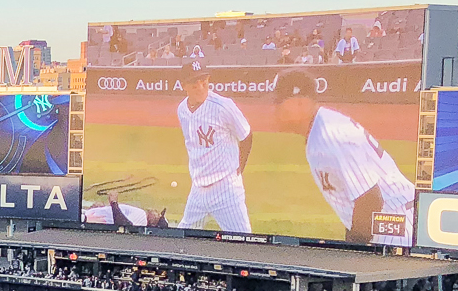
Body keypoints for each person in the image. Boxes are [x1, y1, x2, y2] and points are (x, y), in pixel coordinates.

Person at [271, 70, 416, 244]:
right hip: (384, 222)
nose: (274, 108)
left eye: (279, 102)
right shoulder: (319, 128)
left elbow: (370, 199)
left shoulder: (331, 136)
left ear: (300, 103)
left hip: (394, 224)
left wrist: (352, 253)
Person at [174, 68, 253, 233]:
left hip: (225, 187)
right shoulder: (182, 110)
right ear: (184, 86)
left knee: (244, 243)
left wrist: (240, 168)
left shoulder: (223, 106)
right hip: (198, 189)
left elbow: (246, 135)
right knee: (183, 241)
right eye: (195, 85)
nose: (201, 87)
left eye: (204, 82)